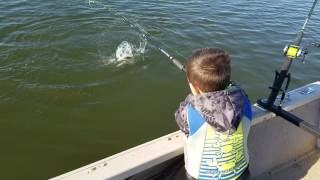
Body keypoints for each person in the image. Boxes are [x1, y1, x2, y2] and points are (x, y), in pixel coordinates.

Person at [175, 48, 252, 180]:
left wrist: (194, 98)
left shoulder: (187, 111)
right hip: (240, 173)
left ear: (193, 87)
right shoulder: (245, 102)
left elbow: (180, 119)